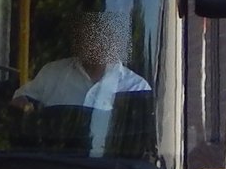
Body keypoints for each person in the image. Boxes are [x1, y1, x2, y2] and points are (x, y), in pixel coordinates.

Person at [12, 12, 150, 111]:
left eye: (100, 37)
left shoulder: (136, 87)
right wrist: (23, 104)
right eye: (87, 37)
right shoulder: (52, 73)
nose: (93, 44)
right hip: (53, 149)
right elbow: (22, 99)